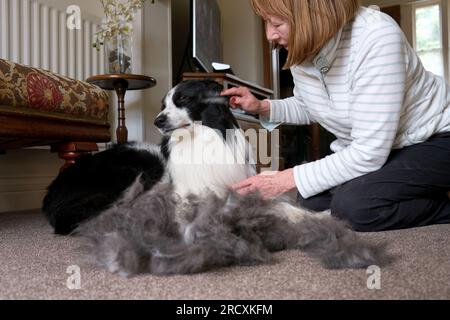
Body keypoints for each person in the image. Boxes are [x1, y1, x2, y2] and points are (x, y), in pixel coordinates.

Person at [221, 0, 450, 232]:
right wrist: (261, 107)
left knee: (354, 207)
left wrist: (284, 180)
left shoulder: (377, 37)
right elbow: (310, 106)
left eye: (277, 23)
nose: (270, 35)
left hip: (435, 139)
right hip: (387, 147)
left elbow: (368, 152)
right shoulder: (304, 50)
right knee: (311, 201)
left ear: (311, 16)